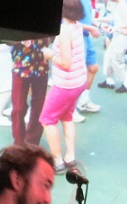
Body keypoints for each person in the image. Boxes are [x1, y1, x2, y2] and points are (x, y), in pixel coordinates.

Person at [39, 0, 88, 173]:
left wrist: (50, 54)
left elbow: (66, 63)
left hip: (65, 85)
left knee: (47, 119)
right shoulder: (77, 27)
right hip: (78, 82)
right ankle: (70, 156)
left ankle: (57, 160)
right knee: (67, 116)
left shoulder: (64, 33)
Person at [10, 39, 50, 145]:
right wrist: (20, 40)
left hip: (41, 64)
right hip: (20, 64)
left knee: (39, 105)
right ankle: (18, 143)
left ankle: (32, 142)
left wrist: (48, 46)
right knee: (18, 107)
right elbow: (6, 38)